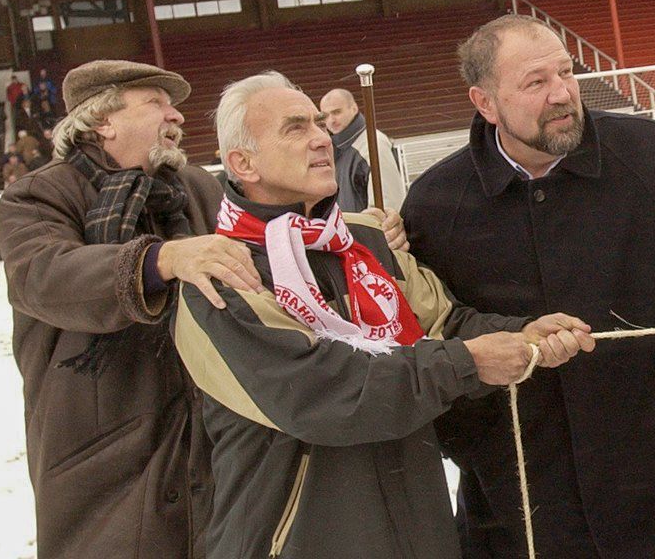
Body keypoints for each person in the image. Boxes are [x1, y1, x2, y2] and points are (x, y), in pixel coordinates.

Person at [173, 71, 593, 559]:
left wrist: (520, 333)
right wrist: (468, 362)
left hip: (416, 529)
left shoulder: (363, 240)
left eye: (318, 123)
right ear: (242, 163)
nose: (320, 139)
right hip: (292, 540)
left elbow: (444, 324)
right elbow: (321, 393)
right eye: (294, 128)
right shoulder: (218, 275)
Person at [402, 14, 655, 558]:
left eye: (566, 73)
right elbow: (435, 327)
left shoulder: (650, 153)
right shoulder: (436, 205)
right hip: (517, 498)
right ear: (485, 103)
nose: (562, 94)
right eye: (535, 82)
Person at [0, 59, 267, 558]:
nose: (177, 116)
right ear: (104, 121)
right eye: (156, 103)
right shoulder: (36, 195)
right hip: (103, 434)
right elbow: (45, 276)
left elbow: (261, 245)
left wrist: (354, 231)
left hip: (206, 422)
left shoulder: (195, 185)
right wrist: (161, 258)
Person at [319, 87, 406, 212]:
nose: (331, 120)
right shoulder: (335, 148)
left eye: (337, 112)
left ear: (354, 108)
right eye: (325, 116)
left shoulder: (373, 144)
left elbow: (386, 207)